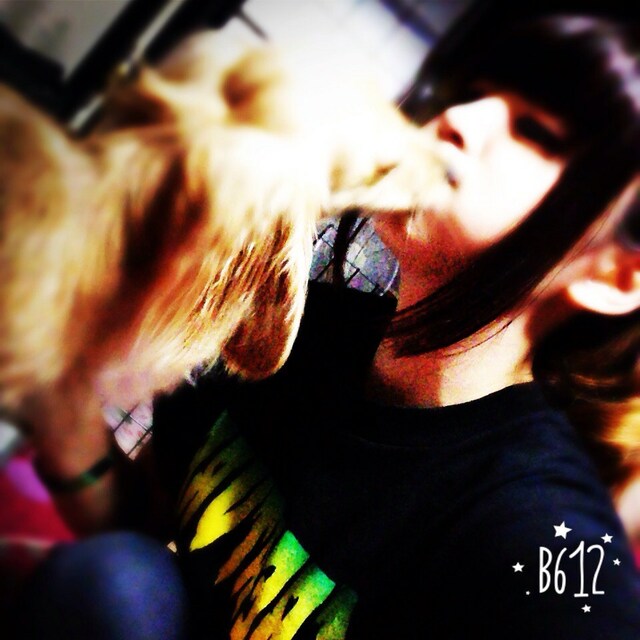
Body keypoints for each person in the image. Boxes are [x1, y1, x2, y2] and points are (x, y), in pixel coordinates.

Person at [15, 2, 640, 639]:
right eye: (476, 91)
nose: (460, 118)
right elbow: (136, 543)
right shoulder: (293, 335)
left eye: (537, 131)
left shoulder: (542, 530)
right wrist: (55, 387)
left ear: (617, 276)